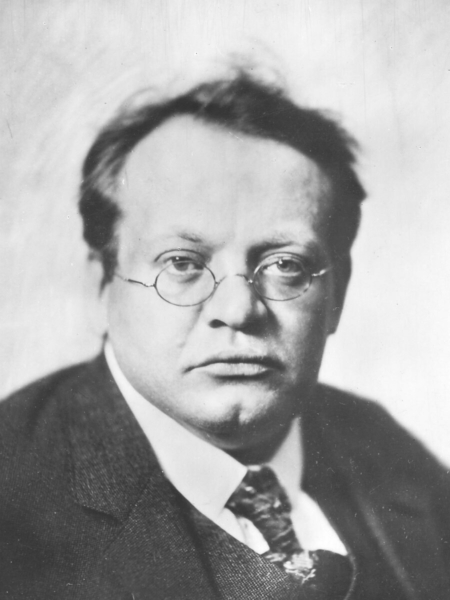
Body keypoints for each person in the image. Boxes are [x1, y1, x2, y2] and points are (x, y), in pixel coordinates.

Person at [1, 70, 449, 600]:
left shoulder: (386, 453)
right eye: (183, 263)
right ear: (100, 287)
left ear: (338, 295)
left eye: (285, 265)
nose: (238, 310)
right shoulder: (13, 494)